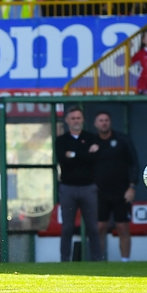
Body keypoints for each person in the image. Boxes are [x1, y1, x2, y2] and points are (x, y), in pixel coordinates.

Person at [55, 106, 103, 262]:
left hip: (88, 187)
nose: (76, 121)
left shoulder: (92, 138)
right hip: (68, 188)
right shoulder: (61, 140)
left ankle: (97, 260)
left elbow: (95, 159)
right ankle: (65, 261)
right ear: (68, 120)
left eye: (78, 118)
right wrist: (85, 153)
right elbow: (63, 160)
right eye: (73, 118)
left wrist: (73, 154)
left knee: (93, 228)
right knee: (67, 227)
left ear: (83, 120)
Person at [93, 111, 139, 262]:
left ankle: (125, 261)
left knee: (122, 227)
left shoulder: (122, 140)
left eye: (106, 120)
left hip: (122, 192)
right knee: (99, 227)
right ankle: (99, 260)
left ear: (110, 122)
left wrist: (132, 186)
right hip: (99, 192)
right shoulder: (92, 143)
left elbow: (134, 164)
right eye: (101, 120)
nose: (104, 123)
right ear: (96, 124)